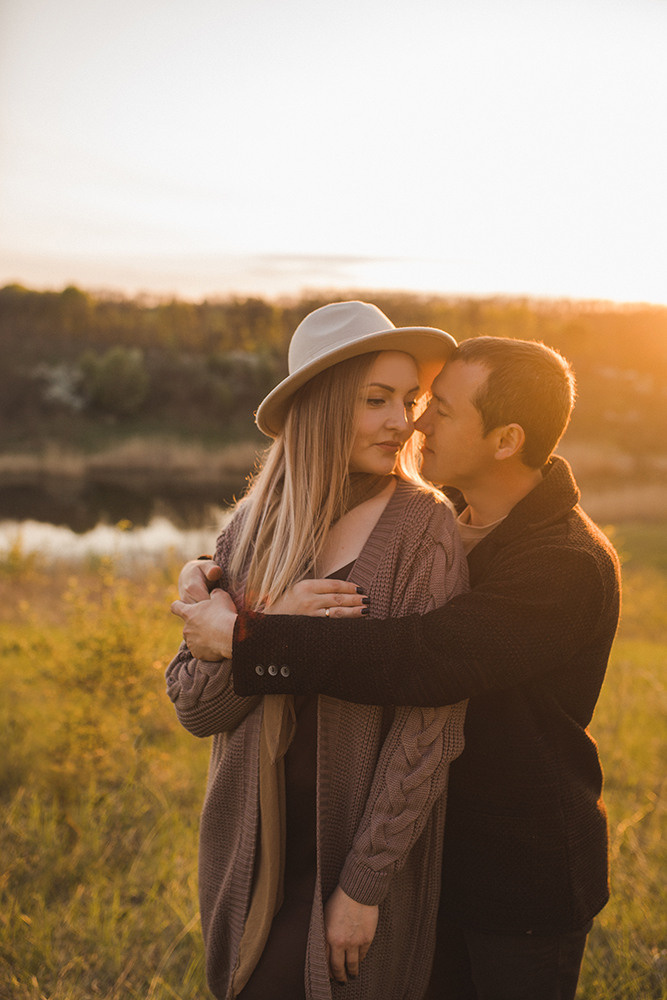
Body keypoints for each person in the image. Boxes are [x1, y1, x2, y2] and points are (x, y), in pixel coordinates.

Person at [179, 334, 622, 1000]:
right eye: (402, 401)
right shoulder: (452, 514)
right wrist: (226, 588)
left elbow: (422, 660)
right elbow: (197, 698)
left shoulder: (562, 564)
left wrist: (254, 636)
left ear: (504, 440)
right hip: (424, 858)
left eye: (434, 407)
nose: (414, 422)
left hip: (513, 876)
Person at [167, 300, 470, 1000]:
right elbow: (195, 710)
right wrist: (262, 620)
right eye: (376, 401)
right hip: (258, 847)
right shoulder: (253, 527)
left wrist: (362, 887)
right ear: (324, 406)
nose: (403, 421)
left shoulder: (425, 532)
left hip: (354, 855)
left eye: (409, 400)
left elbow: (429, 727)